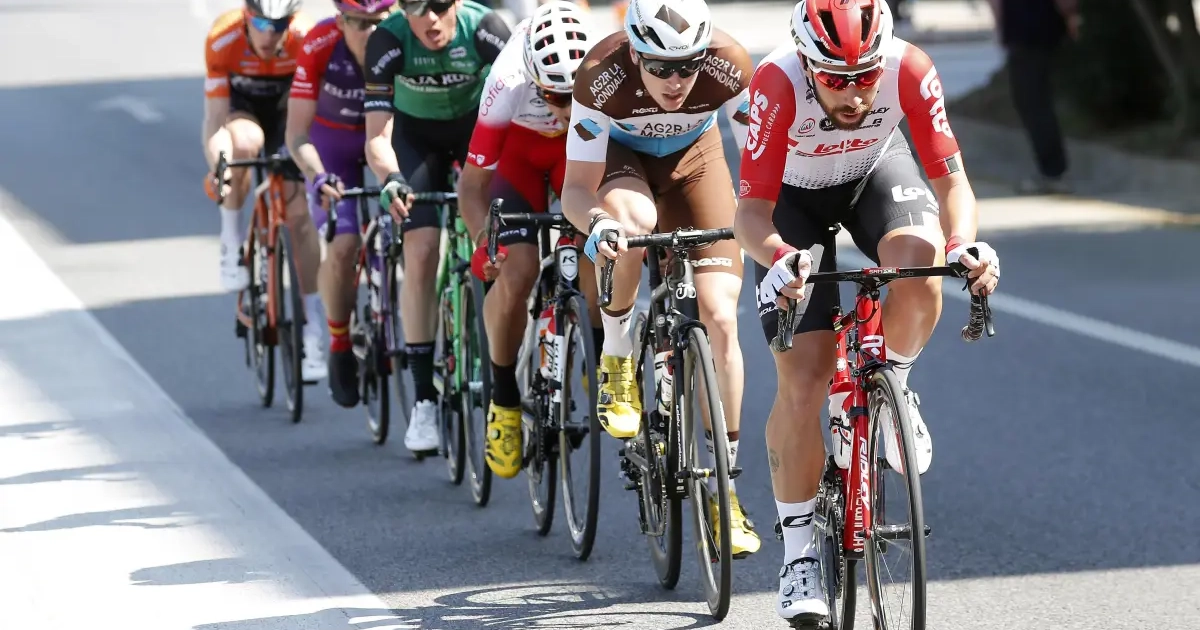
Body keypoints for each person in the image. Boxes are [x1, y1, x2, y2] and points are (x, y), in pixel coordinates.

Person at [732, 0, 1001, 623]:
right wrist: (780, 258)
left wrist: (964, 245)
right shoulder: (777, 82)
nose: (854, 95)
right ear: (807, 64)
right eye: (835, 79)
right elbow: (749, 216)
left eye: (865, 76)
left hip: (873, 173)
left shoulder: (911, 68)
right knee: (805, 380)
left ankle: (892, 385)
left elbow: (951, 182)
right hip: (789, 201)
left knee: (921, 263)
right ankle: (799, 554)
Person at [561, 0, 762, 558]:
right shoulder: (600, 74)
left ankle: (726, 492)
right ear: (634, 54)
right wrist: (596, 222)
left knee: (721, 317)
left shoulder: (730, 63)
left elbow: (763, 164)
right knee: (632, 225)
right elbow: (575, 188)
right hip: (622, 162)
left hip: (698, 161)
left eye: (688, 66)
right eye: (660, 67)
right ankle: (618, 357)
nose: (676, 82)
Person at [457, 1, 601, 478]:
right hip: (518, 154)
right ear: (534, 80)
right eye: (555, 96)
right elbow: (472, 186)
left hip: (574, 153)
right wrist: (484, 243)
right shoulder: (507, 80)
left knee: (597, 244)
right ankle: (503, 399)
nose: (567, 108)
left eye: (576, 94)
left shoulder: (604, 65)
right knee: (516, 274)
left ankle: (598, 350)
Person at [361, 0, 512, 453]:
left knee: (499, 247)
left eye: (440, 5)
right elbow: (377, 136)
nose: (429, 18)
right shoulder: (387, 39)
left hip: (476, 133)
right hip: (415, 140)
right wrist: (391, 178)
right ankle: (424, 397)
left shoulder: (484, 28)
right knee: (422, 251)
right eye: (415, 6)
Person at [203, 0, 327, 383]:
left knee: (300, 218)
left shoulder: (306, 38)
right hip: (242, 114)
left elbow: (314, 115)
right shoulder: (222, 39)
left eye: (279, 26)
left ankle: (312, 330)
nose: (270, 35)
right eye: (261, 25)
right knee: (243, 145)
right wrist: (220, 169)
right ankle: (230, 241)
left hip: (289, 114)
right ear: (246, 18)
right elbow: (214, 122)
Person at [284, 0, 398, 410]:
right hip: (332, 146)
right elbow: (296, 134)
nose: (369, 33)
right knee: (344, 244)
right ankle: (338, 342)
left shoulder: (402, 40)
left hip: (387, 143)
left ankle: (388, 307)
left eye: (377, 23)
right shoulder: (319, 44)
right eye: (358, 23)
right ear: (340, 21)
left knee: (404, 232)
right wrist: (317, 176)